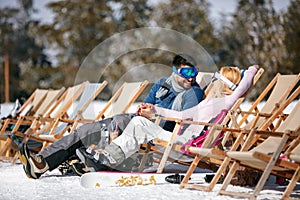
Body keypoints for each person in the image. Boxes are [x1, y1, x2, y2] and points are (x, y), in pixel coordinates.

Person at [18, 53, 204, 179]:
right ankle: (42, 162)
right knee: (86, 129)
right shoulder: (162, 83)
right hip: (138, 121)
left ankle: (99, 160)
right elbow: (147, 103)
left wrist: (154, 115)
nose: (191, 77)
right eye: (186, 72)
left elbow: (184, 120)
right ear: (175, 71)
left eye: (194, 72)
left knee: (114, 124)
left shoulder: (192, 93)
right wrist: (145, 110)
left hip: (155, 129)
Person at [73, 65, 259, 171]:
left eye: (217, 79)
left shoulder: (225, 101)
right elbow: (182, 115)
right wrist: (156, 111)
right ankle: (109, 157)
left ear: (222, 84)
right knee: (140, 122)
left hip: (187, 143)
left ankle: (109, 159)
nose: (213, 82)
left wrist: (250, 71)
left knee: (139, 124)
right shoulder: (210, 101)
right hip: (184, 138)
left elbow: (242, 88)